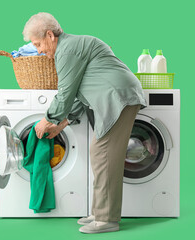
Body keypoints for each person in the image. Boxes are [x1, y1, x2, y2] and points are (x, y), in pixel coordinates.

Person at [22, 12, 147, 234]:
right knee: (100, 154)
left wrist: (47, 120)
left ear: (50, 35)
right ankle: (100, 213)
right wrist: (62, 125)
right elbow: (80, 94)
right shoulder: (72, 46)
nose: (39, 50)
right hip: (116, 96)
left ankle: (107, 219)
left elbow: (66, 93)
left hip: (118, 97)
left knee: (102, 154)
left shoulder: (67, 50)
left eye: (38, 43)